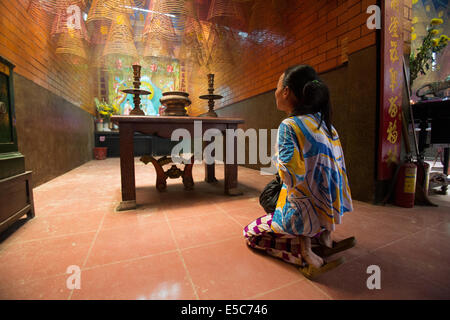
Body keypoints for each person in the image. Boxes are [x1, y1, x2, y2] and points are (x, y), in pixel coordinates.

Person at [243, 65, 353, 277]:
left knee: (250, 233)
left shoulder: (289, 125)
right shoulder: (327, 125)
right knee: (278, 191)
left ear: (285, 91)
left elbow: (293, 180)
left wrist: (278, 162)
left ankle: (306, 252)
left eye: (277, 87)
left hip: (305, 210)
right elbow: (336, 172)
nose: (275, 92)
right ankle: (325, 235)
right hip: (328, 207)